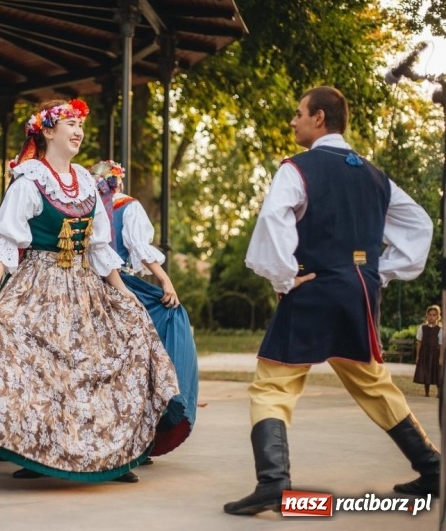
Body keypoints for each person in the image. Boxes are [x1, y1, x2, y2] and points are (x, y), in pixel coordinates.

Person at [0, 99, 179, 495]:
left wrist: (122, 291)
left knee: (99, 363)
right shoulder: (28, 181)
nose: (78, 130)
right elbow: (6, 240)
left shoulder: (86, 182)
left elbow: (98, 247)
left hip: (83, 289)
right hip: (38, 285)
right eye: (70, 123)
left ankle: (108, 458)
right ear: (46, 131)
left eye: (81, 123)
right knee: (3, 358)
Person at [224, 86, 437, 516]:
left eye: (298, 113)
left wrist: (284, 276)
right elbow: (420, 224)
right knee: (373, 382)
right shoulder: (375, 175)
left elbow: (273, 217)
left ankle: (273, 482)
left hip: (313, 287)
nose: (293, 121)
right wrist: (381, 271)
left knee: (273, 384)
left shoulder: (298, 169)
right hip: (359, 291)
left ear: (319, 118)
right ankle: (433, 469)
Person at [90, 160, 199, 457]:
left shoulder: (81, 204)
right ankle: (167, 404)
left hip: (83, 285)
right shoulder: (128, 206)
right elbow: (140, 248)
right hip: (119, 283)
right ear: (119, 183)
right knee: (172, 317)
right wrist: (165, 281)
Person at [414, 305, 442, 398]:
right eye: (429, 315)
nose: (431, 317)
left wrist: (441, 357)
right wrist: (417, 356)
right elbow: (419, 342)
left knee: (437, 372)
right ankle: (427, 392)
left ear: (438, 316)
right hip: (425, 353)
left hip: (435, 354)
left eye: (434, 315)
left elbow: (441, 344)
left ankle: (439, 392)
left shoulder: (440, 329)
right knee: (426, 372)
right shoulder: (422, 328)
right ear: (426, 315)